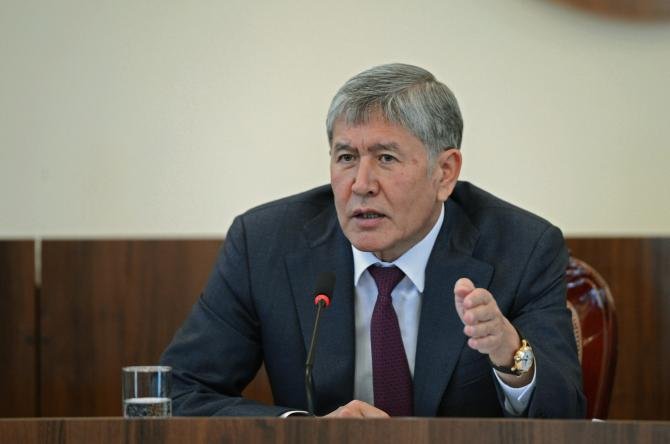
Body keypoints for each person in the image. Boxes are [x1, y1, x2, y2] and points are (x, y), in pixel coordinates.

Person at [160, 63, 585, 418]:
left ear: (445, 173)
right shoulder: (265, 244)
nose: (361, 184)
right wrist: (304, 431)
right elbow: (178, 392)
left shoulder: (522, 248)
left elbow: (565, 414)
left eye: (386, 158)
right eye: (346, 157)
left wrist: (511, 355)